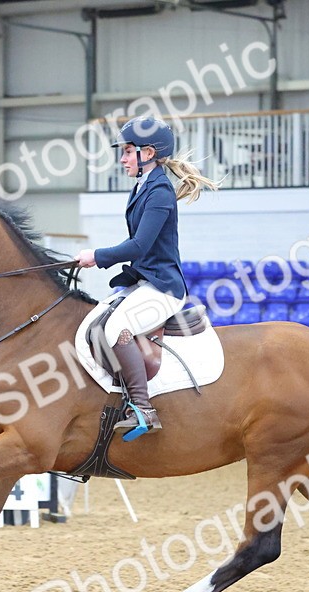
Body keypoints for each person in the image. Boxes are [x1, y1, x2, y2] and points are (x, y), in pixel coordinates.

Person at [76, 115, 220, 441]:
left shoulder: (159, 192)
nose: (122, 159)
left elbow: (139, 245)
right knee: (96, 321)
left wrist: (96, 256)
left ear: (149, 153)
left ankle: (142, 409)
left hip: (164, 288)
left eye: (128, 151)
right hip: (145, 282)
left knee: (114, 328)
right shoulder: (143, 186)